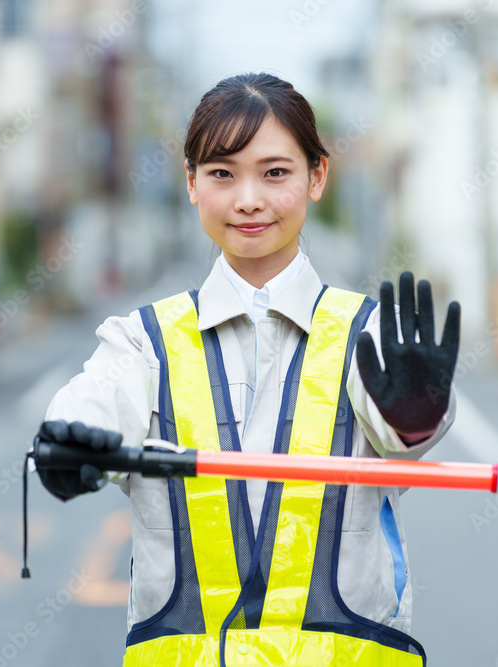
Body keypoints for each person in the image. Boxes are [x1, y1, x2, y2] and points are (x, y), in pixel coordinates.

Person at [35, 72, 460, 666]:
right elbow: (95, 399)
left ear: (317, 176)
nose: (248, 198)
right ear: (191, 183)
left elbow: (402, 440)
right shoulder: (144, 340)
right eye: (222, 173)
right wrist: (70, 441)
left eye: (275, 172)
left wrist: (419, 415)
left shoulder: (366, 334)